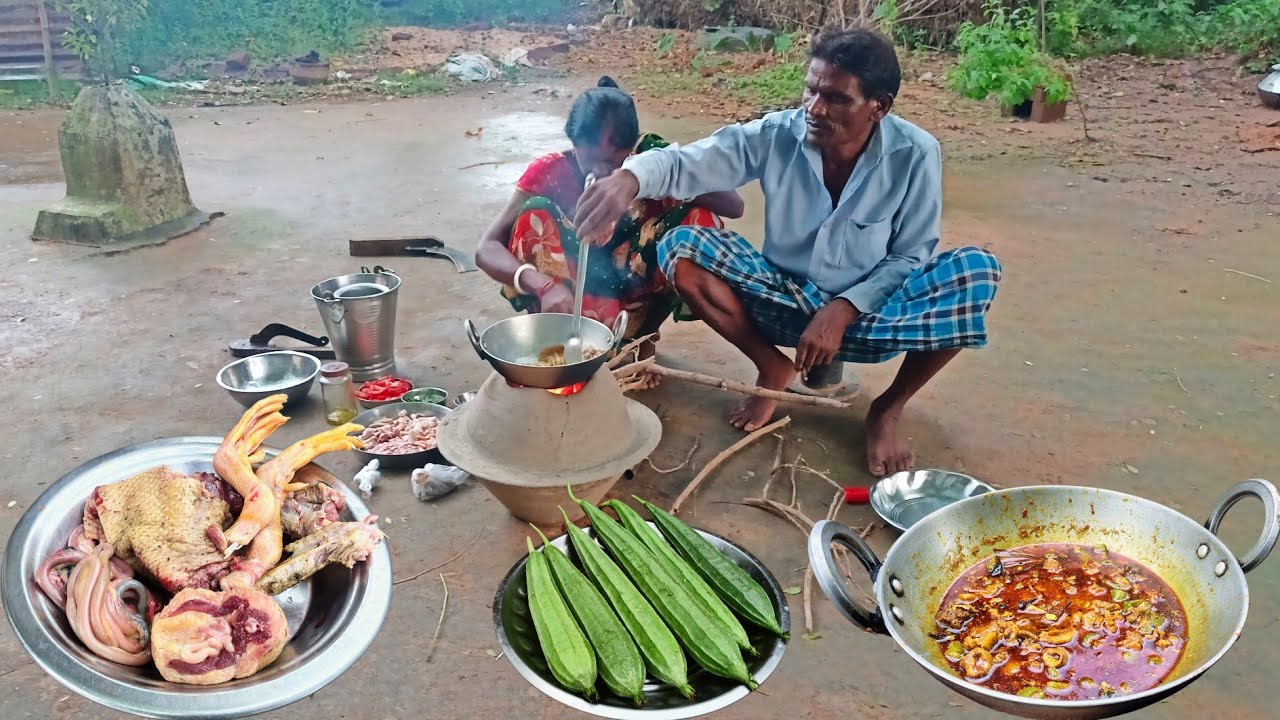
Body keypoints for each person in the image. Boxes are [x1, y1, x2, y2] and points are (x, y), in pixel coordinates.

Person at [574, 30, 1001, 477]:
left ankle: (888, 408)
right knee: (681, 245)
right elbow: (690, 162)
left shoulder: (915, 154)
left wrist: (842, 309)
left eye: (835, 98)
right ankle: (771, 366)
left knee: (976, 271)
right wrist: (630, 179)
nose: (814, 108)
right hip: (782, 300)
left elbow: (911, 256)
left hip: (873, 316)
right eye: (811, 90)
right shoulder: (777, 133)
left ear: (880, 106)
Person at [475, 77, 744, 381]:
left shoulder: (649, 159)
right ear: (573, 144)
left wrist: (649, 172)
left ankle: (645, 336)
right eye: (589, 159)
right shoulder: (551, 172)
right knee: (534, 214)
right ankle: (553, 339)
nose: (600, 172)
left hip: (634, 284)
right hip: (570, 295)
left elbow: (734, 207)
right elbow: (486, 249)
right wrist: (543, 285)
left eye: (612, 161)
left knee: (695, 220)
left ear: (630, 148)